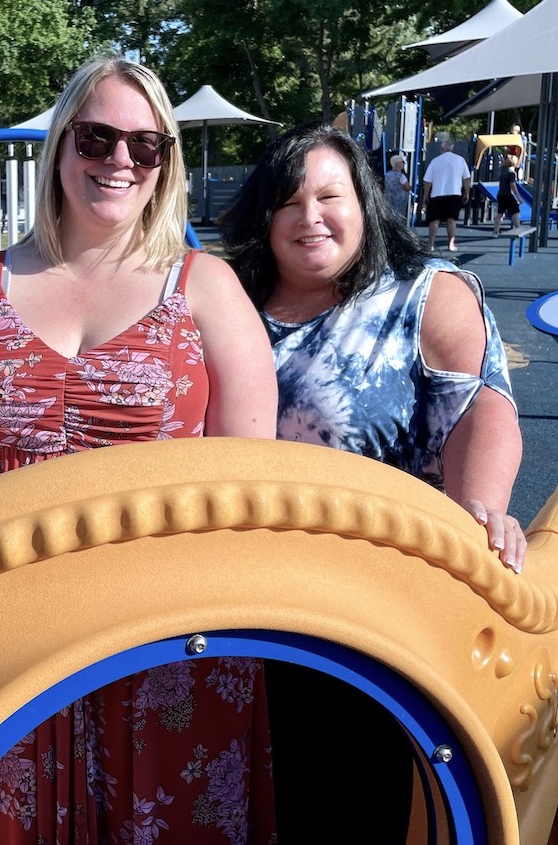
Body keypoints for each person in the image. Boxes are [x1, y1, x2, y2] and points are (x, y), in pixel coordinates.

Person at [0, 56, 279, 844]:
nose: (120, 160)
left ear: (164, 165)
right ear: (60, 146)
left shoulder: (205, 286)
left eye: (145, 145)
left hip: (166, 633)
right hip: (9, 624)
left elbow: (249, 475)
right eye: (96, 138)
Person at [219, 121, 524, 840]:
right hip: (241, 598)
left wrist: (478, 509)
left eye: (331, 196)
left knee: (349, 798)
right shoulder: (231, 301)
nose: (310, 216)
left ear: (366, 204)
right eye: (288, 202)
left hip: (373, 606)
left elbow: (481, 407)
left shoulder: (424, 292)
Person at [421, 134, 471, 252]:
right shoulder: (460, 160)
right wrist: (467, 192)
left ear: (442, 148)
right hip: (454, 192)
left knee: (434, 220)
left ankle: (431, 244)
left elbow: (427, 181)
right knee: (451, 220)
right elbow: (466, 178)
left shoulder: (435, 161)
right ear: (452, 148)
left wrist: (425, 197)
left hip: (437, 193)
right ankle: (451, 243)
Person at [493, 153, 525, 235]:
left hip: (501, 194)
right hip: (508, 195)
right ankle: (518, 227)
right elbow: (513, 186)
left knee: (500, 213)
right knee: (515, 211)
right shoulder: (511, 173)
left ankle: (496, 231)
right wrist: (518, 197)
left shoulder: (502, 171)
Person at [384, 152, 411, 219]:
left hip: (389, 200)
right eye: (402, 162)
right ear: (397, 163)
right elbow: (407, 187)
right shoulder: (401, 176)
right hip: (400, 202)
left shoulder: (387, 175)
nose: (403, 164)